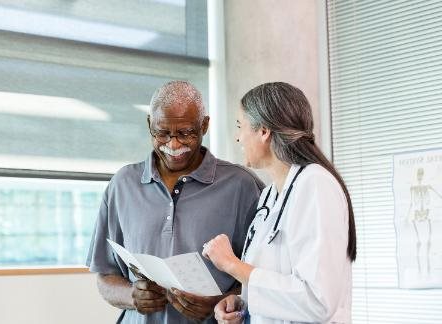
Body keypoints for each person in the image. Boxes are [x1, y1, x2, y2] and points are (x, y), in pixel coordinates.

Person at [86, 80, 264, 323]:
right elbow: (105, 276)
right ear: (150, 124)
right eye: (162, 133)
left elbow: (265, 278)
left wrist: (220, 302)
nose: (173, 144)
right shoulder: (122, 184)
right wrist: (131, 296)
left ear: (204, 125)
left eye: (185, 133)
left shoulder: (242, 185)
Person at [202, 82, 357, 324]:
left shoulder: (316, 185)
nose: (238, 137)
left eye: (240, 126)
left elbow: (318, 301)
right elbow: (277, 285)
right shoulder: (270, 196)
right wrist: (242, 306)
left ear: (264, 132)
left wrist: (232, 265)